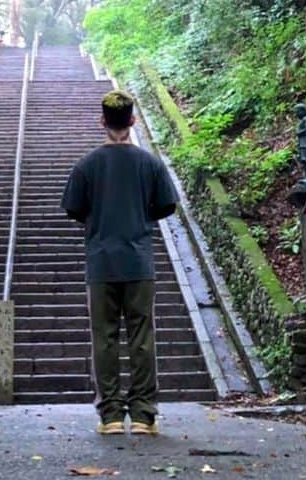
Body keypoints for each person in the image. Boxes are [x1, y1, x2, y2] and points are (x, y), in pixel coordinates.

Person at [61, 90, 178, 436]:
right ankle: (143, 414)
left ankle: (110, 414)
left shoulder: (86, 165)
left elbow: (74, 209)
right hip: (139, 262)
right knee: (142, 337)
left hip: (100, 263)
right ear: (132, 121)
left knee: (105, 337)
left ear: (102, 121)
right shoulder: (151, 164)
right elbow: (165, 206)